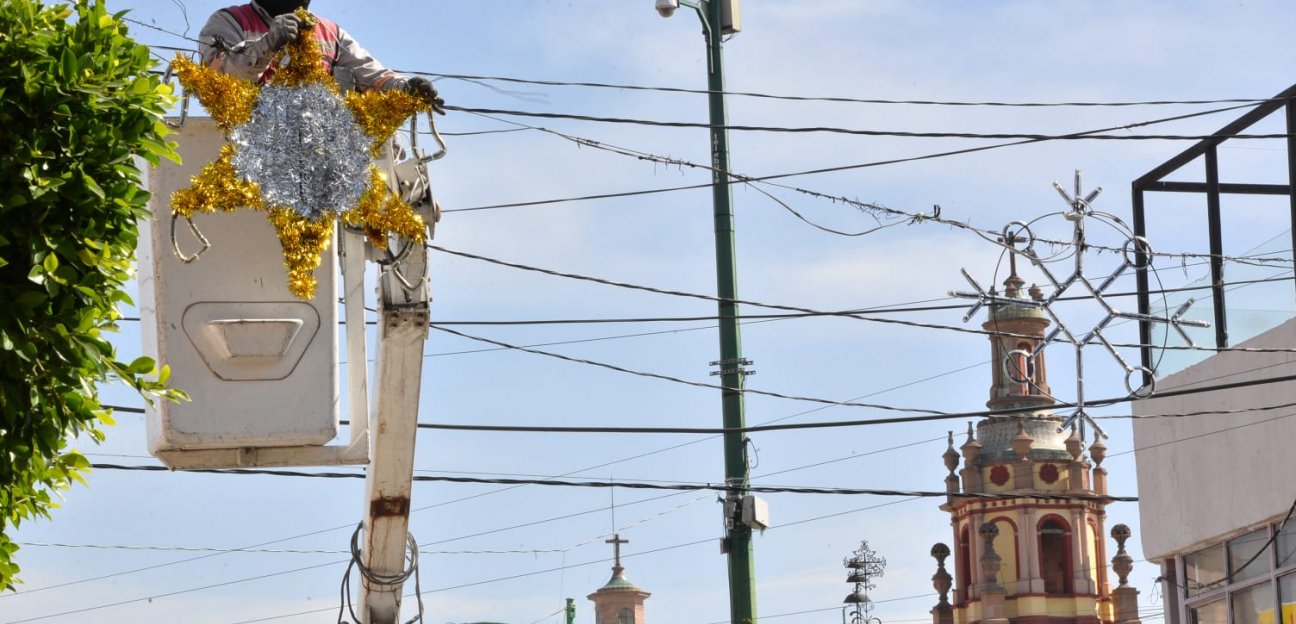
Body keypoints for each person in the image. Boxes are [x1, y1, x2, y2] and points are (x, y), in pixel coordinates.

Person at [198, 0, 444, 111]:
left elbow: (372, 76)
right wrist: (269, 43)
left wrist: (406, 88)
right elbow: (222, 79)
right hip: (248, 140)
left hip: (321, 147)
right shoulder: (229, 22)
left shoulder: (328, 32)